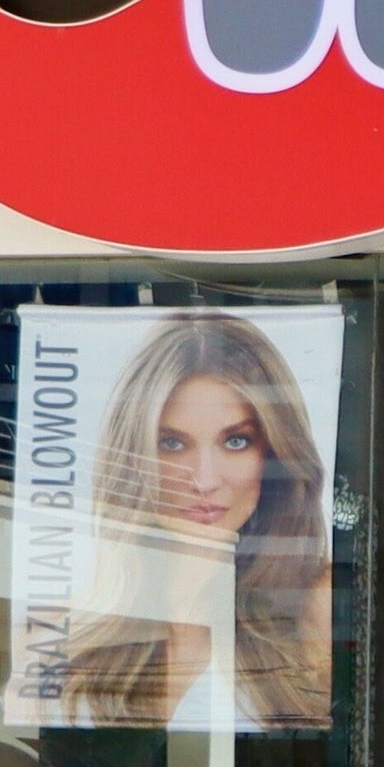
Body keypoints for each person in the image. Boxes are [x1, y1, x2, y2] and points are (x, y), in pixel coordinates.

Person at [61, 313, 335, 731]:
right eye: (172, 444)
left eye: (235, 441)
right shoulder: (75, 632)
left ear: (274, 453)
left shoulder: (316, 603)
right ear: (135, 456)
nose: (204, 480)